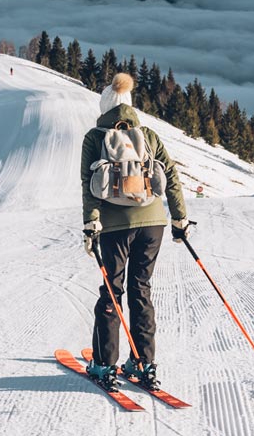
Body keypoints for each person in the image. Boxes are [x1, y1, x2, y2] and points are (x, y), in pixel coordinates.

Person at [80, 72, 188, 390]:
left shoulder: (94, 137)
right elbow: (172, 175)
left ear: (105, 106)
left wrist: (91, 224)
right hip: (153, 223)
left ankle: (104, 365)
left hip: (114, 227)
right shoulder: (149, 135)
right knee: (141, 291)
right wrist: (180, 220)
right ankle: (143, 364)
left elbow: (87, 187)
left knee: (112, 293)